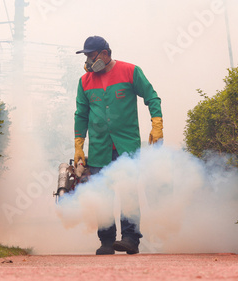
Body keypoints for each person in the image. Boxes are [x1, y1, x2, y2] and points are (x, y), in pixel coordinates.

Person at [74, 35, 163, 255]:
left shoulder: (130, 71)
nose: (87, 60)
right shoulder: (85, 81)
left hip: (126, 145)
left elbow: (152, 97)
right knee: (102, 195)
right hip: (99, 148)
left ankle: (131, 239)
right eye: (86, 56)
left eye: (90, 55)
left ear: (105, 54)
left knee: (128, 192)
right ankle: (106, 241)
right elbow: (81, 115)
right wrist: (78, 146)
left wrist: (157, 124)